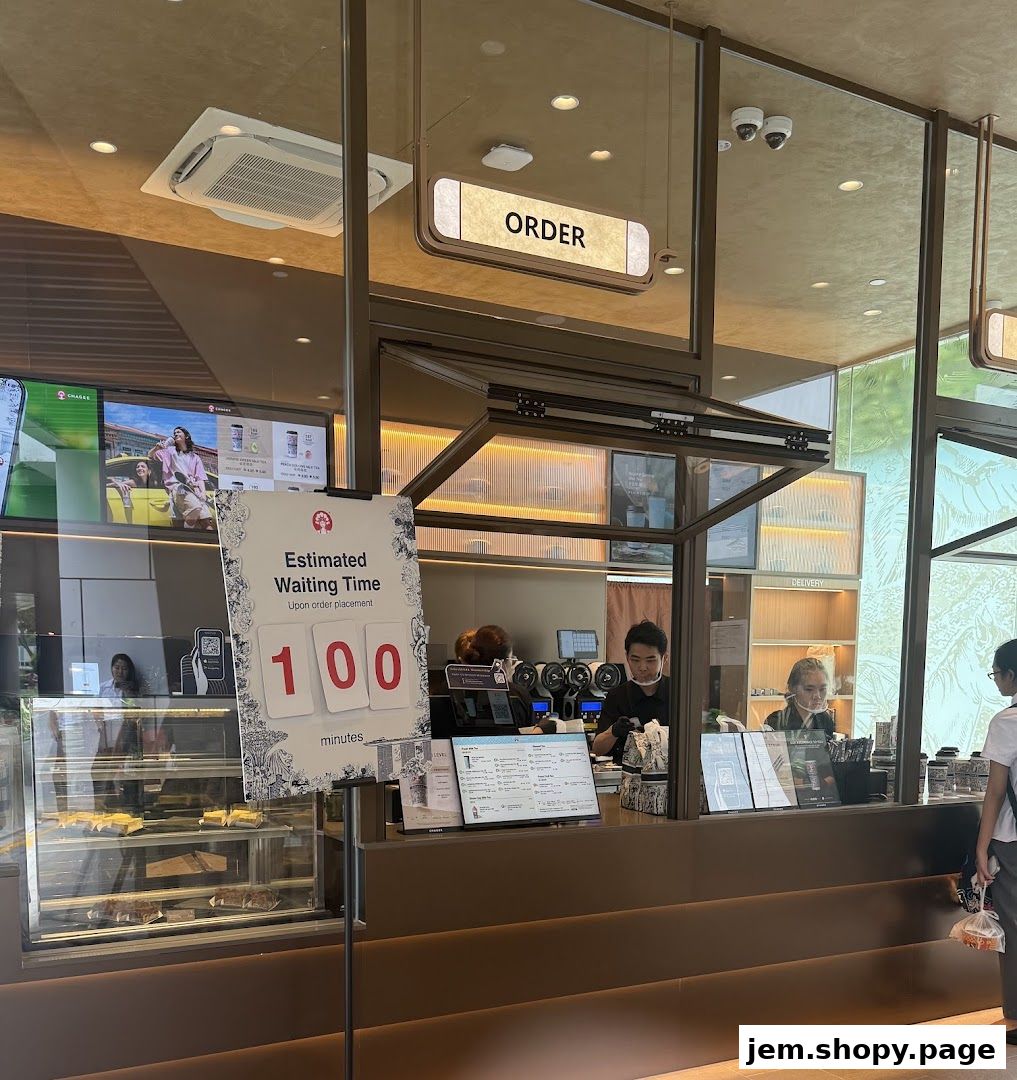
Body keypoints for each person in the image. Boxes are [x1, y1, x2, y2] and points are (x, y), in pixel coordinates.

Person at [975, 638, 1017, 1045]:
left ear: (1010, 675)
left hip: (1013, 840)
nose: (997, 681)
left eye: (997, 673)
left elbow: (996, 790)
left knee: (1016, 927)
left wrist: (981, 845)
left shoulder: (1008, 721)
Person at [593, 620, 670, 764]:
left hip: (670, 777)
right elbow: (597, 748)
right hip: (628, 777)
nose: (642, 667)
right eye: (635, 660)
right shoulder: (617, 696)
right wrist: (614, 731)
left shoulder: (677, 693)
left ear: (664, 658)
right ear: (627, 657)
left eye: (650, 660)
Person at [459, 624, 533, 726]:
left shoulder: (450, 688)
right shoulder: (518, 694)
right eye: (511, 659)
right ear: (500, 664)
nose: (512, 665)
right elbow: (528, 737)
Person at [149, 425, 213, 530]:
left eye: (178, 432)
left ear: (186, 436)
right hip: (179, 487)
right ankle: (186, 533)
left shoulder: (195, 457)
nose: (176, 434)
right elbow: (151, 456)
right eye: (174, 434)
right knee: (195, 509)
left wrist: (203, 493)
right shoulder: (169, 452)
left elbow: (200, 478)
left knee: (207, 523)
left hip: (195, 490)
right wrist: (156, 448)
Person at [763, 657, 836, 739]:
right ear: (793, 689)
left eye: (822, 689)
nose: (817, 696)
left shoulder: (825, 720)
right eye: (809, 690)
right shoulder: (777, 721)